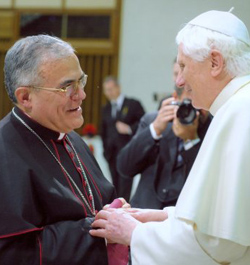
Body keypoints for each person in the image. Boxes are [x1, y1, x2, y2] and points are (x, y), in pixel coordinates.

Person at [90, 10, 250, 264]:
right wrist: (166, 217)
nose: (179, 79)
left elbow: (220, 246)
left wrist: (135, 233)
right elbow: (216, 222)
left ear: (215, 63)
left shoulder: (240, 112)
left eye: (184, 66)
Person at [0, 34, 117, 265]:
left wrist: (119, 215)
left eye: (81, 81)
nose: (81, 95)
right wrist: (100, 230)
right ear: (25, 97)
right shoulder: (4, 151)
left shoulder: (71, 138)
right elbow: (13, 253)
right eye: (67, 87)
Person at [117, 61, 211, 209]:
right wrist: (154, 130)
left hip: (183, 215)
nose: (190, 112)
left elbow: (207, 182)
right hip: (145, 211)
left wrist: (191, 140)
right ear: (175, 98)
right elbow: (124, 167)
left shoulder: (212, 127)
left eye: (195, 105)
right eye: (186, 104)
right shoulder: (153, 120)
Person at [100, 76, 145, 201]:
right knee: (114, 184)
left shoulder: (133, 104)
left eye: (111, 89)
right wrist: (105, 151)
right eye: (106, 90)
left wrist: (129, 128)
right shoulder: (106, 108)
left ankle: (123, 208)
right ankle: (116, 208)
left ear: (118, 87)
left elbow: (144, 123)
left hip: (127, 151)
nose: (109, 93)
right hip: (111, 154)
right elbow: (103, 131)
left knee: (125, 183)